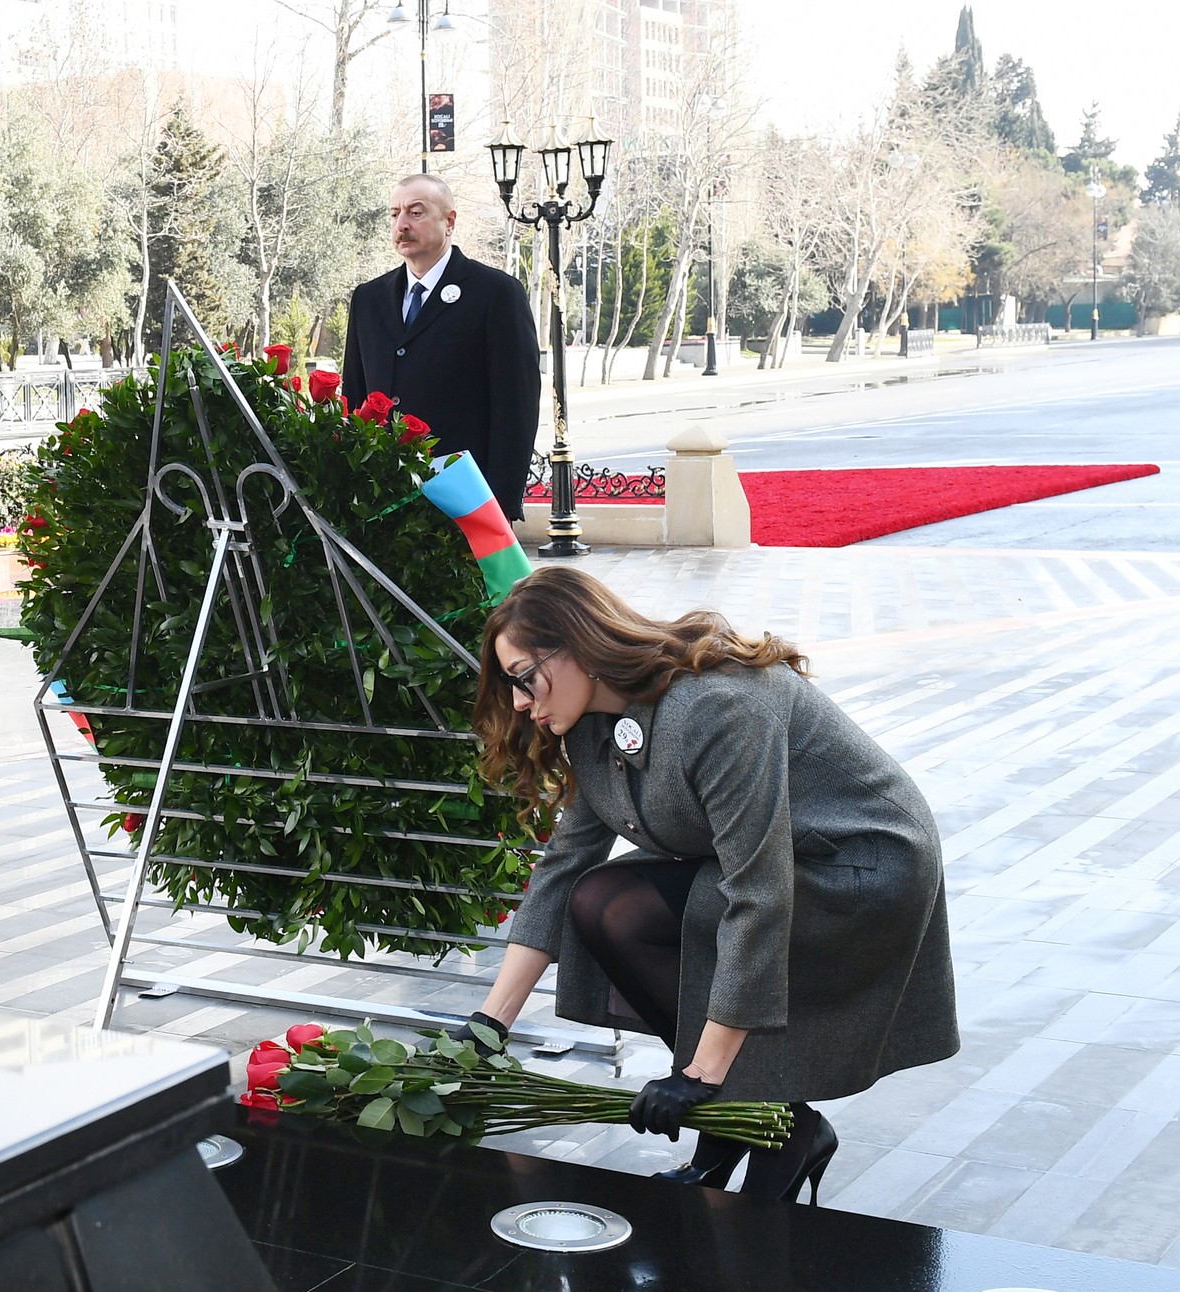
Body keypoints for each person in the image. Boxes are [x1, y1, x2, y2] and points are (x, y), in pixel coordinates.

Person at [460, 567, 959, 1200]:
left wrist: (701, 1075)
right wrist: (488, 1024)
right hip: (775, 864)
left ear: (578, 646)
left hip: (861, 869)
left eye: (523, 678)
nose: (521, 702)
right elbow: (565, 865)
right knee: (600, 900)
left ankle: (756, 1123)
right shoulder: (590, 722)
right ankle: (778, 1128)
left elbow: (760, 894)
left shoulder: (717, 707)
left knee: (670, 911)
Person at [342, 173, 541, 522]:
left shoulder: (495, 293)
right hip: (384, 500)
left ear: (449, 221)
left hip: (464, 499)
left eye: (416, 213)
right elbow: (355, 397)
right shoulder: (368, 299)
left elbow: (516, 408)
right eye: (394, 214)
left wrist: (499, 506)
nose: (402, 224)